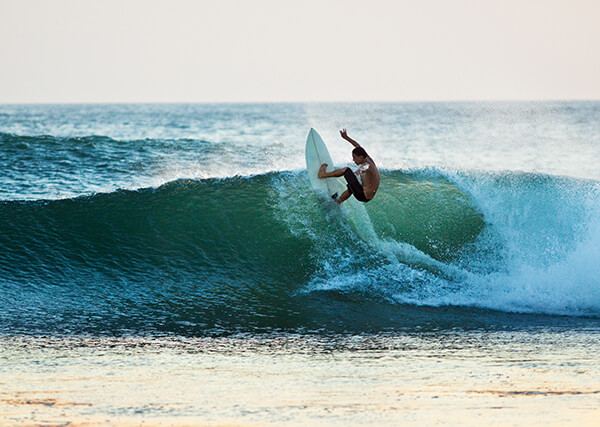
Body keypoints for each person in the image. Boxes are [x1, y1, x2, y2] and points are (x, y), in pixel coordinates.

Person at [318, 128, 380, 204]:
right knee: (352, 186)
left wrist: (358, 171)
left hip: (362, 195)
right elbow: (357, 146)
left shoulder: (367, 165)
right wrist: (346, 137)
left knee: (346, 170)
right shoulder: (368, 158)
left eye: (354, 157)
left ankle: (323, 174)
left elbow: (365, 167)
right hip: (367, 196)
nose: (353, 160)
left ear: (360, 157)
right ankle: (338, 202)